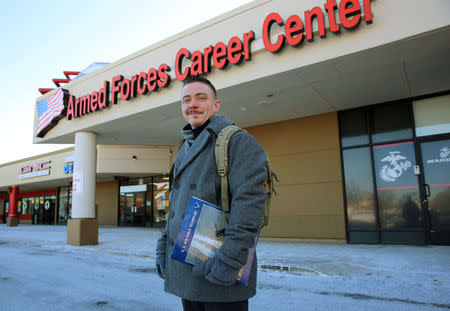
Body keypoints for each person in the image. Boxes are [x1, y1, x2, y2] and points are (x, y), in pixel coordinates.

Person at [156, 76, 267, 311]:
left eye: (201, 98)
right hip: (187, 271)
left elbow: (250, 208)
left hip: (221, 275)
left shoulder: (237, 141)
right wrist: (163, 247)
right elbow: (176, 205)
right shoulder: (184, 149)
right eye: (186, 100)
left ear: (216, 105)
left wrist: (228, 261)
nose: (192, 104)